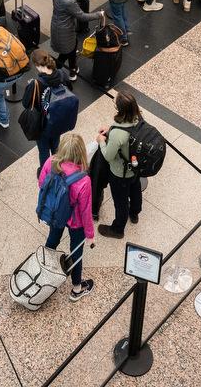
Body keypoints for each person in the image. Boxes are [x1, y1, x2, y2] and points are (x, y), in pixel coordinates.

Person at [36, 131, 96, 300]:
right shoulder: (83, 180)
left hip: (56, 214)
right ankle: (77, 288)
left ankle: (44, 271)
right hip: (75, 221)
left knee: (52, 241)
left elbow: (41, 183)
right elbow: (85, 211)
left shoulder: (51, 161)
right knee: (76, 251)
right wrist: (90, 235)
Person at [95, 91, 145, 237]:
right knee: (135, 189)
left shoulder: (118, 134)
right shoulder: (138, 119)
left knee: (120, 201)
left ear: (121, 110)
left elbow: (109, 156)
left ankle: (117, 229)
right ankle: (134, 213)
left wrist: (102, 141)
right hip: (135, 167)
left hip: (119, 173)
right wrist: (111, 130)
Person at [49, 0, 103, 78]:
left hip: (56, 25)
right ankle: (68, 72)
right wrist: (98, 14)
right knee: (67, 51)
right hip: (66, 30)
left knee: (70, 49)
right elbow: (82, 16)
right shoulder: (69, 2)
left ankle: (67, 69)